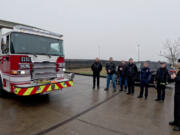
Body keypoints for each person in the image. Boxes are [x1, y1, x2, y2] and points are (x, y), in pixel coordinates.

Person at [169, 59, 180, 131]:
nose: (178, 64)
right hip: (177, 92)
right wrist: (173, 78)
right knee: (176, 108)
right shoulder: (179, 70)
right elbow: (177, 79)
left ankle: (179, 125)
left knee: (179, 109)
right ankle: (176, 121)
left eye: (178, 62)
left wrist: (175, 77)